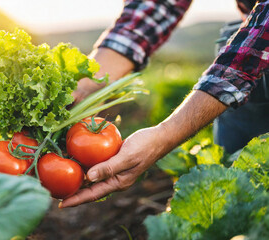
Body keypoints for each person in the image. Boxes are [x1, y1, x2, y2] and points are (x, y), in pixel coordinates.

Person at [60, 0, 269, 208]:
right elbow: (158, 5)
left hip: (255, 49)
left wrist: (166, 135)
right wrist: (89, 83)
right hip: (249, 39)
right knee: (235, 196)